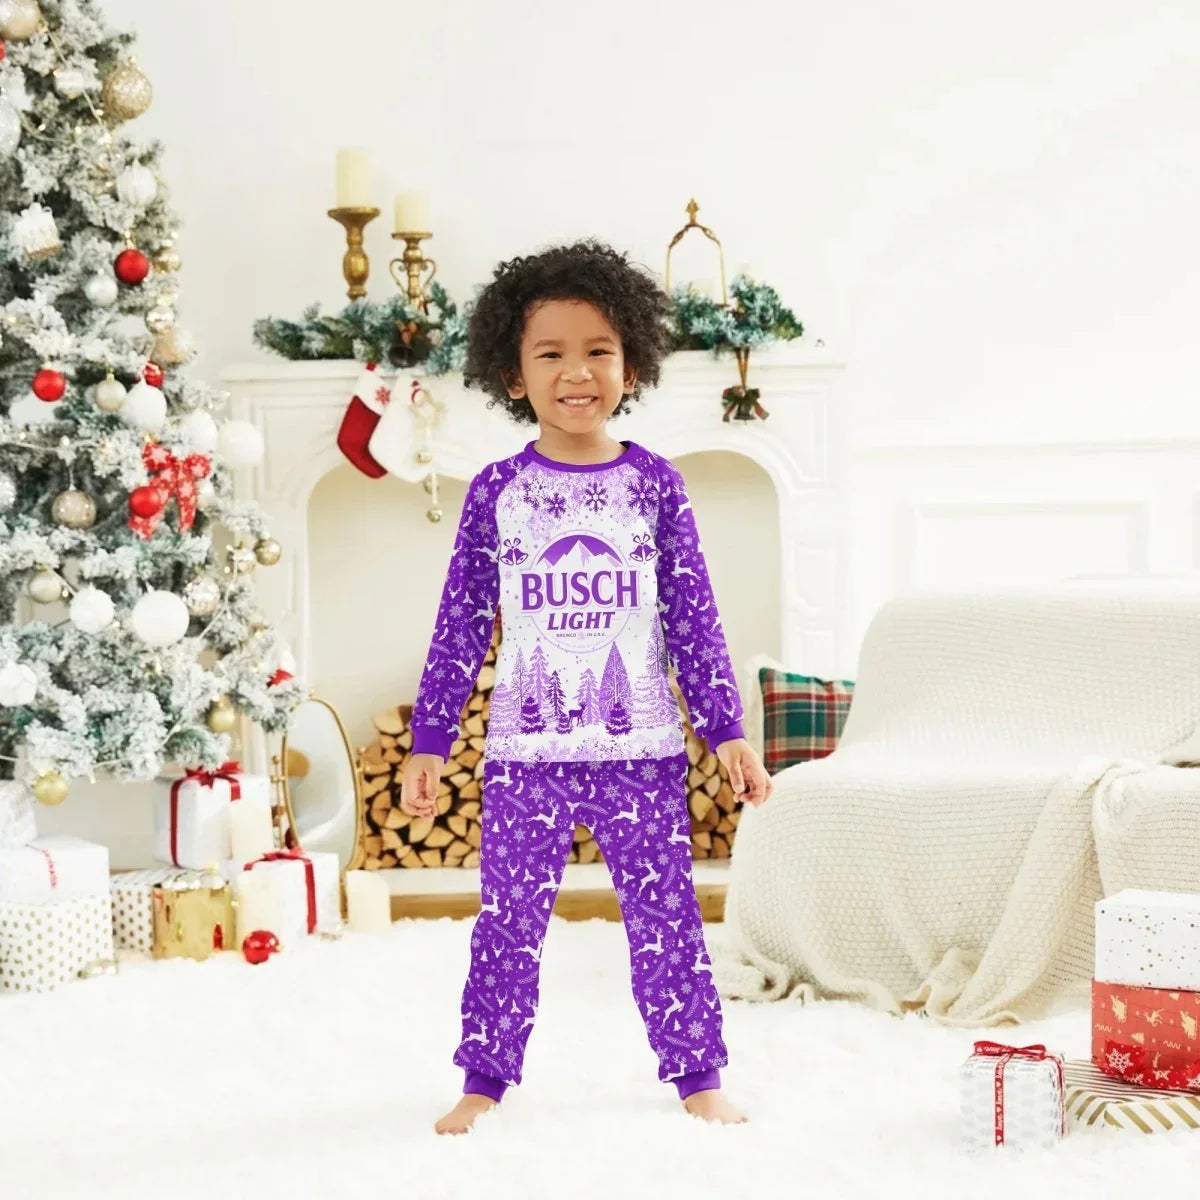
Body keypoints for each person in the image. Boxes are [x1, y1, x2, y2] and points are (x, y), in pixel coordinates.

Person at [399, 240, 773, 1135]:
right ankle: (483, 1079)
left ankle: (698, 1076)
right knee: (507, 924)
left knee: (667, 921)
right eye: (551, 353)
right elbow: (459, 625)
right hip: (524, 757)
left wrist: (726, 729)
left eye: (599, 350)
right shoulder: (496, 493)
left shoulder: (656, 488)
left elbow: (693, 618)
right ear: (513, 374)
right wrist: (428, 743)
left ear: (631, 365)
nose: (577, 372)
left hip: (641, 752)